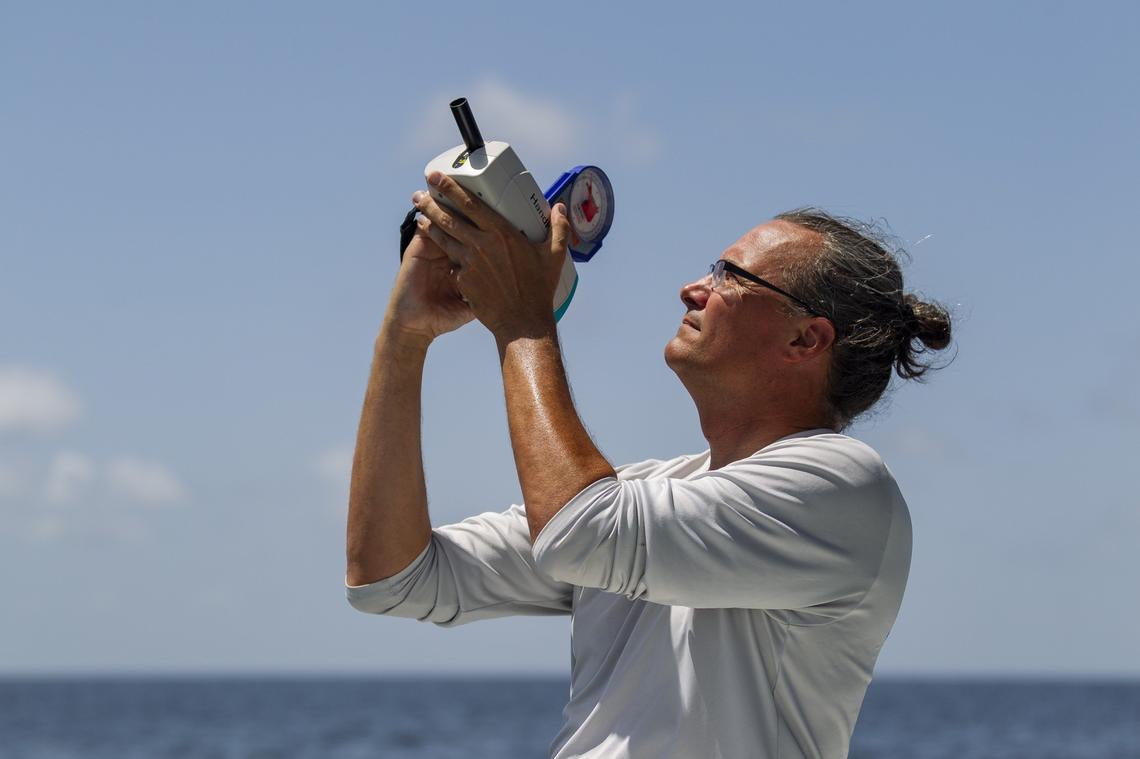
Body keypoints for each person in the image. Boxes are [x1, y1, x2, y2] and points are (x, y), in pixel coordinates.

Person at [345, 171, 953, 759]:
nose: (693, 289)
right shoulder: (645, 494)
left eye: (729, 274)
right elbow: (393, 579)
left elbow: (582, 531)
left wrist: (524, 322)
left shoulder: (843, 486)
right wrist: (406, 334)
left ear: (806, 340)